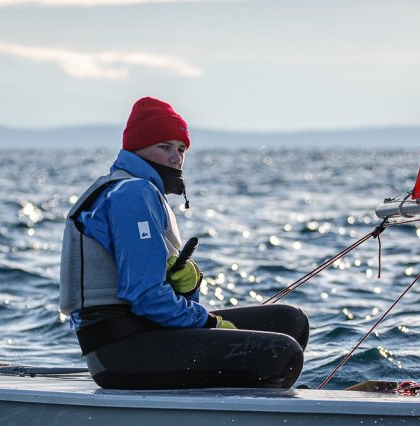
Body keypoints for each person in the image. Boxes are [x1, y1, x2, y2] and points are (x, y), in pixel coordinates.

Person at [59, 96, 308, 390]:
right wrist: (209, 323)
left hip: (149, 332)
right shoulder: (131, 193)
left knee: (289, 321)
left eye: (181, 149)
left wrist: (188, 289)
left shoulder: (142, 191)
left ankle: (247, 396)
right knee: (281, 353)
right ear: (136, 149)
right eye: (164, 147)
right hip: (119, 353)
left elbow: (159, 302)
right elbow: (146, 297)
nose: (176, 158)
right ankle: (247, 410)